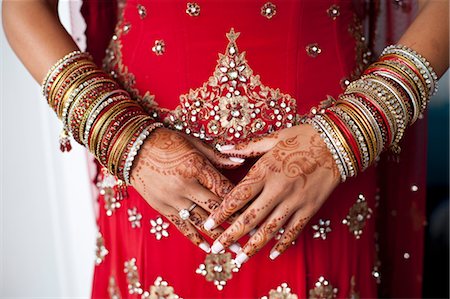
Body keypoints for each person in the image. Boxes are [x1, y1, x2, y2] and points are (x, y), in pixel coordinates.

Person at [2, 0, 448, 298]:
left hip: (323, 174)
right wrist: (125, 141)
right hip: (154, 182)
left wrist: (353, 129)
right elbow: (23, 8)